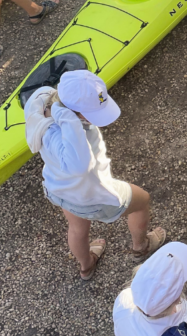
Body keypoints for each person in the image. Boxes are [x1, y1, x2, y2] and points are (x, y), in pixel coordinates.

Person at [24, 69, 165, 280]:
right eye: (89, 115)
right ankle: (141, 247)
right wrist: (69, 120)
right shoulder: (71, 138)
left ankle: (86, 266)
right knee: (142, 200)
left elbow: (42, 92)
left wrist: (62, 111)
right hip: (93, 196)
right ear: (72, 114)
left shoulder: (41, 106)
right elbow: (80, 166)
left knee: (77, 227)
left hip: (61, 190)